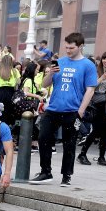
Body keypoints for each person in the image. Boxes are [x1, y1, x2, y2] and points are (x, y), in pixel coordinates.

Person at [31, 32, 99, 186]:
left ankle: (66, 176)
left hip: (73, 110)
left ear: (80, 46)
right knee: (43, 138)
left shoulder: (87, 65)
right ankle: (45, 171)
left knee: (69, 143)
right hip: (54, 107)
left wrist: (80, 111)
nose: (68, 50)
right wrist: (50, 74)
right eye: (66, 47)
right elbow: (45, 85)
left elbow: (90, 90)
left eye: (71, 48)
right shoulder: (60, 62)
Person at [78, 52, 106, 166]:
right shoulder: (96, 72)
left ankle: (101, 157)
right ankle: (82, 154)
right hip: (98, 105)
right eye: (104, 58)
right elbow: (91, 86)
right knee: (96, 131)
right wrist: (103, 77)